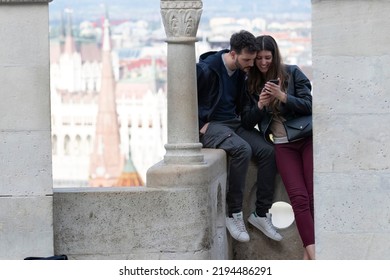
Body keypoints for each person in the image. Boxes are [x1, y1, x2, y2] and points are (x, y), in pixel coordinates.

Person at [196, 30, 282, 243]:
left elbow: (244, 118)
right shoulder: (206, 70)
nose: (251, 64)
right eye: (247, 60)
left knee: (268, 151)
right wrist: (198, 126)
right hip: (211, 127)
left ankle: (261, 214)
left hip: (234, 125)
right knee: (242, 149)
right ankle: (233, 214)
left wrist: (260, 105)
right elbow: (184, 101)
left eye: (252, 60)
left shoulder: (242, 74)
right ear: (233, 54)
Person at [242, 35, 314, 259]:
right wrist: (261, 105)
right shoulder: (249, 84)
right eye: (260, 58)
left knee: (313, 196)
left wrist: (283, 96)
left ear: (275, 57)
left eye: (268, 58)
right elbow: (245, 121)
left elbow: (309, 105)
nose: (263, 63)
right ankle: (315, 255)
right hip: (283, 146)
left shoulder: (292, 73)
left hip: (306, 139)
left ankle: (309, 252)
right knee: (298, 199)